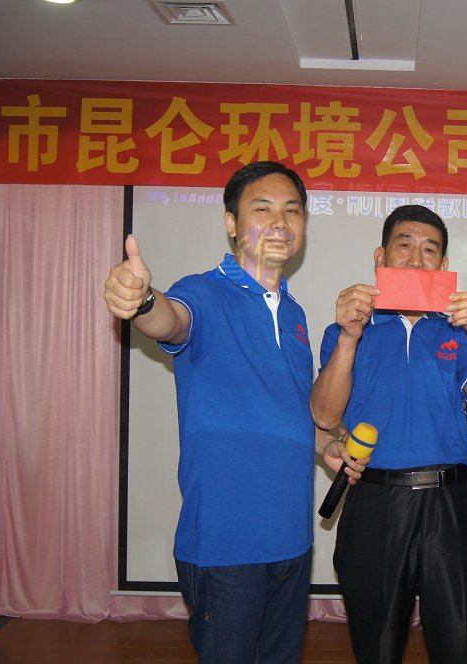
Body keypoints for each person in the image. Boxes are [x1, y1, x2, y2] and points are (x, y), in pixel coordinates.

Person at [103, 161, 362, 664]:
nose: (280, 222)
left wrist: (326, 445)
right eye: (262, 209)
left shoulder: (294, 313)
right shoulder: (204, 291)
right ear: (231, 223)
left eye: (292, 211)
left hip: (291, 540)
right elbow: (172, 320)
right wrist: (142, 301)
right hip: (226, 544)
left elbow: (289, 409)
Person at [310, 204, 467, 664]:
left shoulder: (458, 330)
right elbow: (324, 413)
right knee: (377, 644)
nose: (417, 258)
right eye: (405, 245)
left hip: (451, 500)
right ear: (381, 257)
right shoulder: (348, 329)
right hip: (376, 499)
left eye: (430, 250)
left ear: (443, 265)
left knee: (463, 644)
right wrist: (349, 336)